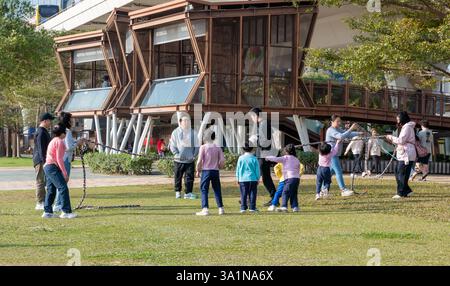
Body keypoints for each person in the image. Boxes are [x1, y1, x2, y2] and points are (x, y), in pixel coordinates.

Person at [42, 124, 77, 219]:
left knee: (51, 190)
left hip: (47, 166)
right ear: (62, 133)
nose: (65, 134)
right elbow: (59, 159)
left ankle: (47, 212)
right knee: (63, 188)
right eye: (65, 132)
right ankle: (66, 211)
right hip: (52, 167)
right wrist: (65, 173)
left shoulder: (53, 140)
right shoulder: (60, 142)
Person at [53, 112, 85, 212]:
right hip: (65, 159)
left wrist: (76, 142)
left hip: (59, 159)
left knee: (61, 183)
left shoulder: (59, 130)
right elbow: (69, 147)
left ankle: (58, 203)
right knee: (63, 183)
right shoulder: (67, 131)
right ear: (67, 120)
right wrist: (78, 142)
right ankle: (58, 204)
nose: (72, 121)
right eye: (71, 119)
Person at [325, 115, 362, 197]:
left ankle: (324, 189)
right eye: (337, 121)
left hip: (335, 154)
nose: (339, 123)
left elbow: (347, 134)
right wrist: (351, 128)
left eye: (339, 121)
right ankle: (343, 190)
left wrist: (359, 133)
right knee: (338, 171)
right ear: (332, 122)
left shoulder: (338, 129)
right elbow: (341, 136)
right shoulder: (330, 130)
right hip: (332, 154)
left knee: (330, 173)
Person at [249, 107, 277, 206]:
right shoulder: (261, 124)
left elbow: (265, 142)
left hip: (264, 155)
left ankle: (274, 198)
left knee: (261, 177)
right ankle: (274, 198)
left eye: (252, 116)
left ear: (256, 116)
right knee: (263, 177)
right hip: (261, 154)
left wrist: (255, 140)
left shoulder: (264, 124)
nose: (252, 119)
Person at [386, 111, 416, 199]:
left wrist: (391, 137)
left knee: (401, 173)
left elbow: (401, 140)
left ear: (402, 118)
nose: (397, 120)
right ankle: (407, 190)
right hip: (405, 153)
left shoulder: (407, 127)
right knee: (398, 172)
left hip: (407, 153)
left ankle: (400, 193)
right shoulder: (407, 127)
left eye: (398, 118)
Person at [195, 129, 225, 216]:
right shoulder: (218, 147)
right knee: (217, 189)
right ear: (214, 137)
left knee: (204, 189)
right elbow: (222, 160)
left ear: (205, 137)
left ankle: (205, 209)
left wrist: (198, 170)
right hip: (215, 171)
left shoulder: (203, 147)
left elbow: (199, 160)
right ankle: (221, 208)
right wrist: (219, 166)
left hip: (206, 171)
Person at [169, 114, 199, 199]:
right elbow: (172, 145)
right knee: (177, 177)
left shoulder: (193, 132)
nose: (186, 122)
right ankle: (178, 192)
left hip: (190, 160)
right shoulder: (175, 132)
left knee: (189, 177)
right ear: (180, 122)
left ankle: (188, 193)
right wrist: (176, 154)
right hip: (178, 160)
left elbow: (197, 145)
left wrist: (194, 155)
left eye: (188, 121)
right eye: (184, 121)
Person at [265, 144, 301, 212]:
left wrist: (267, 157)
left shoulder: (285, 158)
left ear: (286, 151)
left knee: (285, 192)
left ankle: (284, 206)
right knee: (293, 193)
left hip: (289, 178)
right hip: (296, 179)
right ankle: (295, 207)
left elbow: (275, 159)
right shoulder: (296, 159)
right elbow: (298, 168)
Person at [32, 112, 54, 210]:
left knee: (43, 181)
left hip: (43, 160)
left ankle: (43, 201)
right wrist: (45, 162)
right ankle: (40, 203)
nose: (51, 123)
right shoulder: (41, 132)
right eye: (50, 121)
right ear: (45, 121)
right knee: (40, 181)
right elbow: (41, 149)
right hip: (40, 160)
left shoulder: (43, 131)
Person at [236, 143, 260, 213]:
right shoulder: (254, 158)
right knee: (253, 193)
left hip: (243, 179)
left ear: (243, 149)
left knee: (243, 193)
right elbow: (257, 170)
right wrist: (258, 178)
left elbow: (238, 169)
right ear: (252, 149)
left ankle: (243, 208)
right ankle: (252, 207)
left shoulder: (240, 158)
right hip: (253, 179)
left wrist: (237, 178)